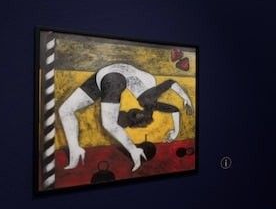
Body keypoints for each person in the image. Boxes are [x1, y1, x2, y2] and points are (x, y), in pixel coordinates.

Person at [58, 63, 194, 172]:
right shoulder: (148, 100)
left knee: (65, 110)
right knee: (108, 123)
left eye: (134, 119)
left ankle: (75, 149)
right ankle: (134, 151)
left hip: (104, 76)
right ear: (144, 116)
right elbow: (170, 83)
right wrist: (186, 99)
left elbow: (173, 108)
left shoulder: (145, 99)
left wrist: (176, 129)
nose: (136, 115)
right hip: (111, 76)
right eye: (138, 119)